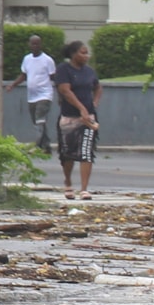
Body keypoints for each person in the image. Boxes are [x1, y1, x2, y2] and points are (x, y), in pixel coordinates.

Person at [54, 41, 102, 200]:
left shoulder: (89, 71)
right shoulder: (63, 70)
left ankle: (84, 189)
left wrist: (93, 104)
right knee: (68, 153)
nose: (86, 56)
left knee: (87, 152)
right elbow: (65, 91)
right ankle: (68, 182)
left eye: (87, 53)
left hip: (88, 119)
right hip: (70, 117)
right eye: (82, 53)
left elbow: (97, 87)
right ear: (73, 54)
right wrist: (81, 108)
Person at [5, 35, 57, 154]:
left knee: (40, 119)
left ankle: (38, 145)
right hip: (32, 96)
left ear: (41, 45)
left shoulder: (47, 60)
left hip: (45, 95)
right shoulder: (27, 59)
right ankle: (46, 146)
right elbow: (24, 75)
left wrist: (60, 94)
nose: (34, 46)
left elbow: (54, 77)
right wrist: (13, 85)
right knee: (37, 122)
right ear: (29, 45)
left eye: (37, 44)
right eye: (32, 44)